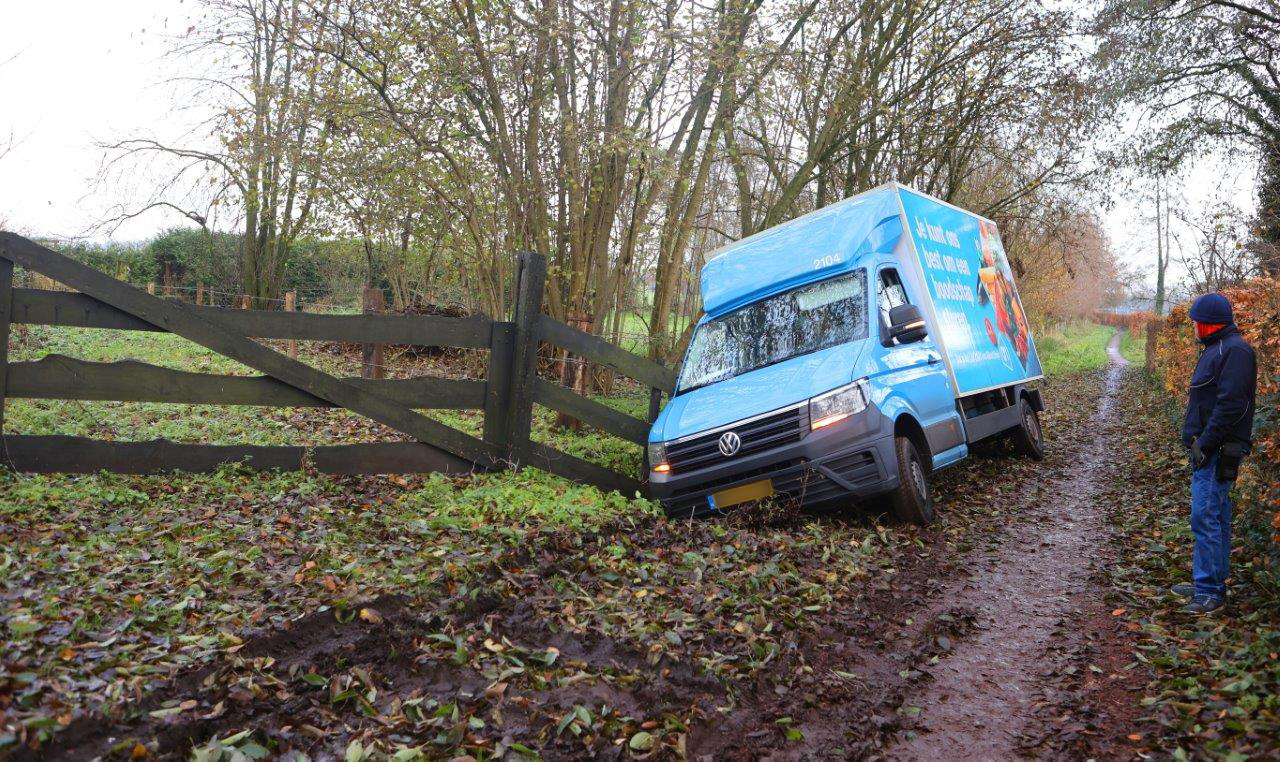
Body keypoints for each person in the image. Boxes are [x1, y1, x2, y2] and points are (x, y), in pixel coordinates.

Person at [1175, 293, 1256, 614]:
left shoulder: (1234, 351)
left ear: (1208, 324)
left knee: (1205, 517)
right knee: (1216, 516)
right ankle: (1210, 582)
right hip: (1210, 450)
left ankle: (1209, 592)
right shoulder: (1216, 349)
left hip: (1218, 451)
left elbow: (1232, 406)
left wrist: (1204, 444)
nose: (1193, 325)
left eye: (1196, 320)